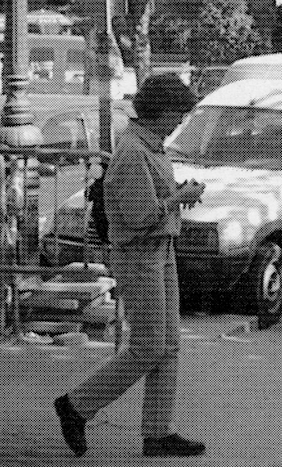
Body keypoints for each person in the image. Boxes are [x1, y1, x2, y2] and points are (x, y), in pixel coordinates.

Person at [54, 74, 206, 458]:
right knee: (148, 346)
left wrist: (174, 198)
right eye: (176, 115)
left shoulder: (147, 146)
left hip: (158, 250)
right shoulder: (135, 152)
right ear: (160, 112)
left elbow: (148, 209)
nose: (178, 123)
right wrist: (178, 197)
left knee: (168, 344)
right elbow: (140, 217)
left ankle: (157, 432)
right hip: (140, 254)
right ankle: (77, 405)